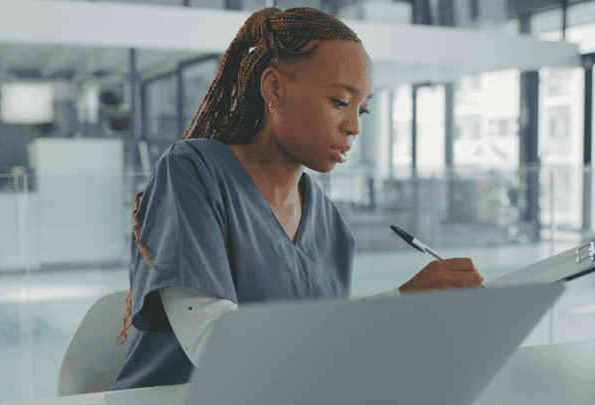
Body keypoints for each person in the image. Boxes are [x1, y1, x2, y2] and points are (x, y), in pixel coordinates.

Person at [111, 6, 483, 390]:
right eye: (340, 101)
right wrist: (398, 306)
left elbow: (322, 352)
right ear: (274, 89)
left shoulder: (329, 224)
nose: (354, 126)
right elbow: (222, 350)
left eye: (363, 109)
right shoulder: (192, 172)